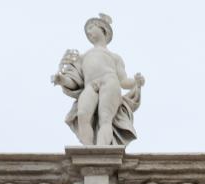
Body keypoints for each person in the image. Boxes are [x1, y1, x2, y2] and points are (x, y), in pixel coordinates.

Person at [53, 14, 145, 146]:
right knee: (83, 115)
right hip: (90, 85)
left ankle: (102, 150)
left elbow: (124, 81)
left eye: (91, 27)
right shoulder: (83, 57)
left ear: (103, 29)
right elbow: (75, 82)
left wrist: (136, 82)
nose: (88, 32)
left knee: (105, 118)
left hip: (110, 81)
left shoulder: (114, 57)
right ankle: (89, 150)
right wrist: (62, 79)